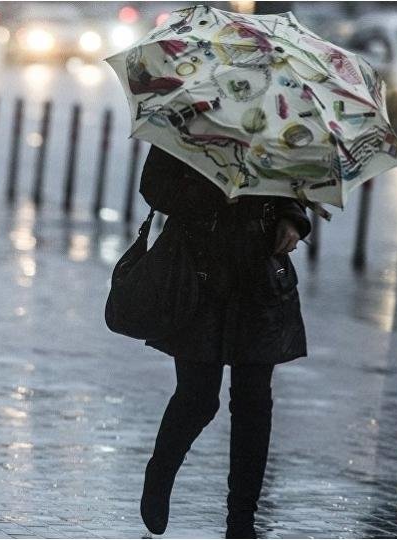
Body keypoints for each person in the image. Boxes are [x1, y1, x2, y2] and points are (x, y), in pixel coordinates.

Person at [137, 145, 312, 539]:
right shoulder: (189, 117)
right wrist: (212, 196)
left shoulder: (280, 122)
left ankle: (241, 521)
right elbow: (154, 184)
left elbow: (295, 181)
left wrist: (292, 219)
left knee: (254, 402)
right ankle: (160, 472)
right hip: (199, 272)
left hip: (260, 273)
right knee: (198, 396)